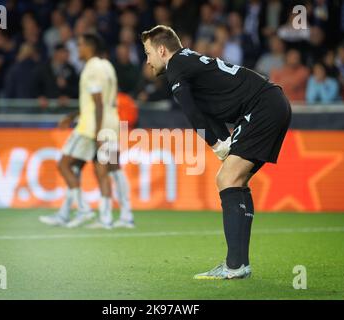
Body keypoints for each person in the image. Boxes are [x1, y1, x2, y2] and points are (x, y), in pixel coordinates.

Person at [141, 25, 292, 279]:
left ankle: (235, 266)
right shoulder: (189, 63)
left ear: (162, 50)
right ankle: (237, 264)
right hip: (270, 104)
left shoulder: (176, 65)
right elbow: (206, 112)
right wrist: (222, 139)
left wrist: (214, 143)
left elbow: (190, 112)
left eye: (147, 53)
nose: (147, 61)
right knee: (236, 180)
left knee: (227, 179)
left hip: (262, 107)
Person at [39, 33, 133, 229]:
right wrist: (73, 115)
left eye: (80, 45)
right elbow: (102, 100)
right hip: (111, 121)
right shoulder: (107, 65)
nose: (77, 49)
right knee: (110, 168)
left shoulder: (92, 69)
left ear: (89, 47)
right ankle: (122, 216)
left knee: (68, 165)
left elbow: (97, 102)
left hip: (93, 125)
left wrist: (97, 130)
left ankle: (84, 210)